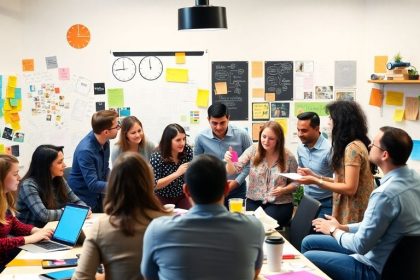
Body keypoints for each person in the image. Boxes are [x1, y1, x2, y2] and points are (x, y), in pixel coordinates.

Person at [301, 127, 420, 280]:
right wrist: (343, 227)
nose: (369, 146)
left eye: (374, 144)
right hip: (402, 264)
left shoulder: (384, 194)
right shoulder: (414, 180)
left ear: (385, 155)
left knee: (310, 257)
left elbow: (360, 245)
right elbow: (373, 225)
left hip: (375, 269)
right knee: (310, 241)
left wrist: (333, 230)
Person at [141, 154, 265, 280]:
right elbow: (254, 273)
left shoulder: (157, 231)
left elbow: (149, 276)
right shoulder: (253, 228)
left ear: (186, 190)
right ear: (227, 189)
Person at [73, 152, 168, 280]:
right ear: (149, 182)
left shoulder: (102, 227)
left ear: (112, 184)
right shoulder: (168, 222)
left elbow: (81, 278)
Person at [296, 101, 375, 224]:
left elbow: (350, 188)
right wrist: (315, 176)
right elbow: (342, 181)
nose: (328, 123)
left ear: (341, 122)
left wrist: (316, 181)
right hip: (345, 208)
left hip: (352, 212)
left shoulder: (352, 148)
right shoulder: (355, 144)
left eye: (331, 119)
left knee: (310, 241)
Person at [225, 121, 298, 227]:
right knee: (248, 224)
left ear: (278, 140)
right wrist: (229, 161)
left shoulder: (289, 156)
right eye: (264, 136)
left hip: (280, 204)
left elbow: (296, 183)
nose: (266, 141)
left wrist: (284, 190)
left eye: (271, 139)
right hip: (254, 201)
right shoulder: (253, 149)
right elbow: (233, 170)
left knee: (263, 224)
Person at [0, 155, 53, 271]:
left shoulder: (4, 198)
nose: (19, 178)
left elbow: (12, 223)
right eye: (15, 174)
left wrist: (36, 231)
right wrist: (29, 239)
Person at [194, 103, 252, 206]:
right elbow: (196, 165)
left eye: (222, 122)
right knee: (214, 221)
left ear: (228, 118)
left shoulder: (242, 135)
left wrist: (237, 182)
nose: (219, 127)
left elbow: (251, 162)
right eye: (214, 123)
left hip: (237, 188)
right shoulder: (201, 138)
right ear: (208, 120)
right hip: (212, 188)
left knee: (236, 219)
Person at [17, 145, 88, 228]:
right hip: (32, 235)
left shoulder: (59, 179)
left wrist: (83, 209)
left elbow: (78, 202)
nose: (64, 165)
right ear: (46, 166)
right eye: (59, 162)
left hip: (52, 229)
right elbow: (44, 215)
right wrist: (75, 212)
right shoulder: (28, 185)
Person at [68, 110, 119, 213]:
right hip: (82, 200)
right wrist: (119, 186)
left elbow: (105, 169)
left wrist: (117, 180)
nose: (119, 128)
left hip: (97, 197)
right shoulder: (86, 151)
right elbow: (93, 184)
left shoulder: (105, 141)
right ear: (106, 132)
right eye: (117, 126)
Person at [296, 112, 333, 218]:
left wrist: (315, 178)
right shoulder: (300, 148)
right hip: (307, 201)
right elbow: (302, 171)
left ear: (317, 129)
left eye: (304, 130)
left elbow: (339, 181)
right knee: (300, 233)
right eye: (298, 130)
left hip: (325, 203)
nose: (299, 134)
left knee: (317, 234)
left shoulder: (329, 150)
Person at [150, 123, 193, 209]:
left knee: (187, 216)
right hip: (162, 196)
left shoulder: (187, 151)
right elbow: (155, 184)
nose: (182, 143)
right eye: (178, 140)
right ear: (168, 141)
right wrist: (177, 174)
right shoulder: (157, 156)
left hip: (182, 194)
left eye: (184, 139)